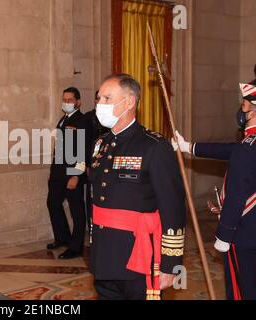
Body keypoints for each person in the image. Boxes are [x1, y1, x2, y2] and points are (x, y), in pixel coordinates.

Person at [89, 74, 186, 300]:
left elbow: (173, 208)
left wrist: (171, 264)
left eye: (107, 98)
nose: (99, 104)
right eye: (98, 98)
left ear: (130, 102)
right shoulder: (100, 144)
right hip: (104, 255)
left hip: (137, 256)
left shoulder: (154, 146)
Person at [173, 82, 256, 300]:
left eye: (245, 104)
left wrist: (224, 233)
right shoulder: (248, 144)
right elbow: (230, 150)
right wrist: (189, 146)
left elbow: (239, 193)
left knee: (242, 288)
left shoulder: (248, 147)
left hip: (245, 233)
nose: (242, 110)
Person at [46, 87, 87, 259]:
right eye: (65, 99)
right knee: (53, 203)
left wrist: (76, 175)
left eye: (70, 100)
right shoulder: (63, 119)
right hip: (59, 173)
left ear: (78, 102)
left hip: (72, 173)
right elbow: (60, 149)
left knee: (76, 209)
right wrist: (53, 171)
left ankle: (76, 246)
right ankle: (62, 238)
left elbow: (83, 151)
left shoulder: (82, 121)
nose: (67, 103)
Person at [85, 91, 109, 235]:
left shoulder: (111, 118)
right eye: (98, 98)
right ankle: (92, 228)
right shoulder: (87, 118)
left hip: (107, 165)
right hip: (89, 166)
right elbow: (84, 145)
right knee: (91, 199)